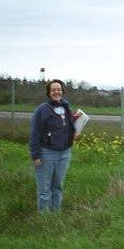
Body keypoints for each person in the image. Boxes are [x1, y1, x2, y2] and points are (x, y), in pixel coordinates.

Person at [29, 79, 78, 212]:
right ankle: (44, 218)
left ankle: (55, 214)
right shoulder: (42, 110)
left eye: (59, 89)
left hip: (64, 153)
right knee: (44, 189)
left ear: (63, 91)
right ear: (48, 93)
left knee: (58, 186)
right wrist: (36, 155)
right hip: (47, 153)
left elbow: (68, 126)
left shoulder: (67, 108)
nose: (57, 92)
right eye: (53, 90)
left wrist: (73, 133)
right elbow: (35, 133)